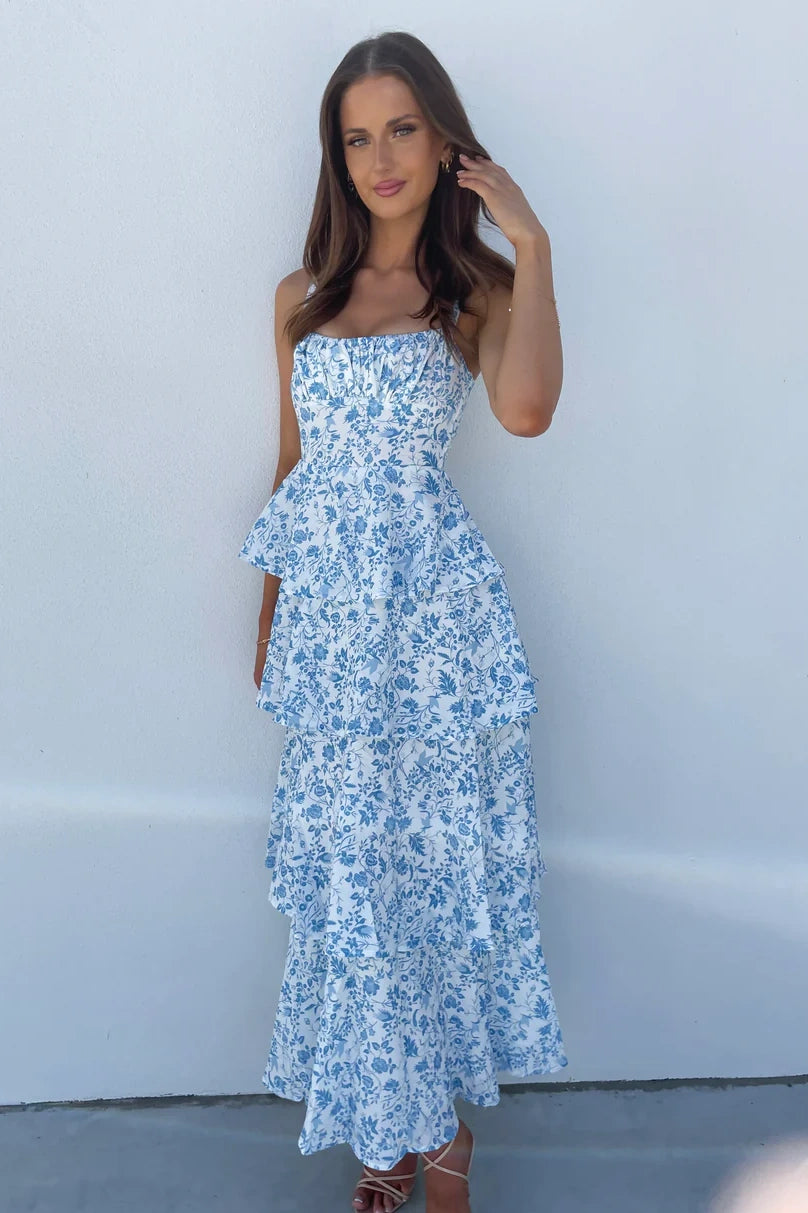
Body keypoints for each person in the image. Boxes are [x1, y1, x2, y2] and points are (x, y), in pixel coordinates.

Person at [238, 29, 567, 1213]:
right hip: (331, 642)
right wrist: (269, 620)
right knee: (356, 889)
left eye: (402, 130)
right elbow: (292, 465)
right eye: (356, 138)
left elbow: (525, 411)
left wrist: (532, 244)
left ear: (442, 141)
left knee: (426, 881)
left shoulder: (475, 291)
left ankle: (437, 1138)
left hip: (434, 638)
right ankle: (393, 1137)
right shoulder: (301, 299)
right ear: (337, 157)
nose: (380, 158)